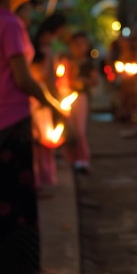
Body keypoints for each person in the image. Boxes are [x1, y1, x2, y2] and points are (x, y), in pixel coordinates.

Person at [0, 0, 62, 274]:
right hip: (10, 120)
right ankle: (23, 267)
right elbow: (22, 78)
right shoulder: (9, 23)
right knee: (18, 199)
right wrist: (51, 102)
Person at [30, 12, 68, 194]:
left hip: (32, 95)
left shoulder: (36, 46)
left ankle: (38, 178)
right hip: (41, 96)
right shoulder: (45, 50)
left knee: (36, 139)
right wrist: (56, 102)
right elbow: (49, 79)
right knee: (43, 140)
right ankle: (40, 179)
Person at [58, 31, 98, 174]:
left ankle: (83, 159)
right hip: (65, 96)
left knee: (80, 130)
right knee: (68, 129)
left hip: (80, 97)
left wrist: (82, 81)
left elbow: (95, 81)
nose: (79, 48)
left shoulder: (88, 63)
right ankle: (70, 158)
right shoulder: (65, 60)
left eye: (83, 45)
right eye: (76, 44)